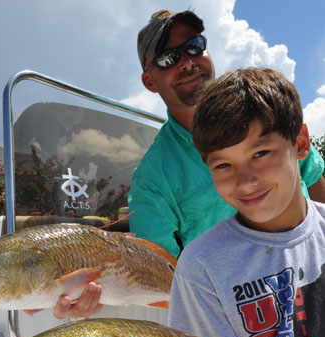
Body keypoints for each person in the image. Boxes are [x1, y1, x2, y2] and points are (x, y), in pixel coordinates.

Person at [165, 67, 325, 337]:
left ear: (301, 143)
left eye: (260, 153)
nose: (245, 180)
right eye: (223, 164)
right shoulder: (201, 267)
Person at [128, 9, 325, 258]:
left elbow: (315, 180)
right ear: (149, 82)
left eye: (194, 46)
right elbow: (161, 272)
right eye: (168, 59)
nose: (188, 63)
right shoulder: (151, 181)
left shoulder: (267, 108)